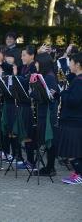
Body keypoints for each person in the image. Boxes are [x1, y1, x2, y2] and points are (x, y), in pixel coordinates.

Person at [57, 52, 82, 184]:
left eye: (71, 62)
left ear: (77, 65)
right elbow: (64, 77)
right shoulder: (75, 79)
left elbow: (74, 101)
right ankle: (78, 173)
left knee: (74, 151)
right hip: (73, 120)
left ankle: (79, 175)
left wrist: (63, 93)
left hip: (74, 121)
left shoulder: (79, 82)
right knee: (75, 150)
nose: (69, 65)